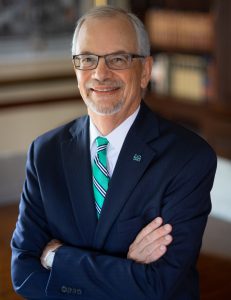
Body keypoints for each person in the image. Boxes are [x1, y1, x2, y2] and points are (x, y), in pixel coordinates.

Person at [11, 6, 217, 300]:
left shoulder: (189, 159)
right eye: (87, 59)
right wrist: (126, 268)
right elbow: (23, 273)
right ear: (75, 69)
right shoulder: (44, 153)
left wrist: (57, 258)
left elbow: (157, 286)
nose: (100, 73)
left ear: (145, 70)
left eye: (118, 59)